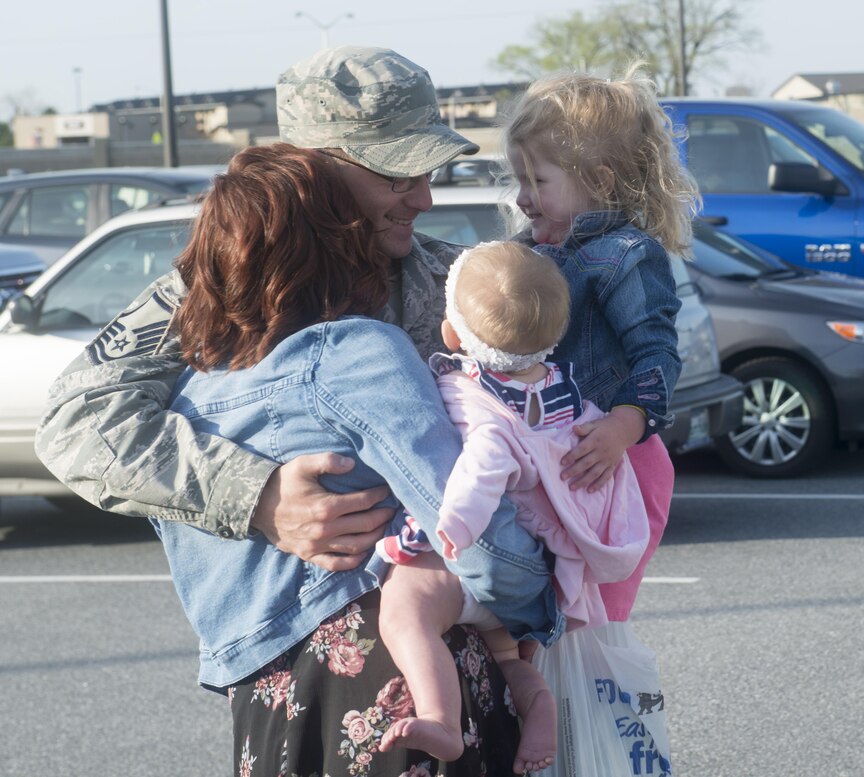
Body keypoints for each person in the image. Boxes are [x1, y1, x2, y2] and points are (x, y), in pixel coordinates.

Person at [35, 47, 562, 777]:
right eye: (395, 173)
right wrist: (254, 495)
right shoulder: (220, 285)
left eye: (428, 171)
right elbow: (77, 422)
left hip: (470, 649)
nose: (423, 199)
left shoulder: (461, 284)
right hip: (310, 667)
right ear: (311, 166)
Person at [376, 240, 650, 772]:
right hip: (544, 569)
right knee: (506, 652)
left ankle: (439, 718)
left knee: (405, 609)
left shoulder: (478, 402)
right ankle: (538, 702)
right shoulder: (568, 394)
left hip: (489, 557)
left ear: (452, 335)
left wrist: (446, 527)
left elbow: (482, 469)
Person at [498, 66, 700, 776]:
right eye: (518, 178)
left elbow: (655, 351)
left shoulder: (626, 255)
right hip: (565, 466)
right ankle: (557, 739)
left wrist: (625, 423)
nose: (522, 197)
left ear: (602, 181)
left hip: (619, 463)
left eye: (538, 179)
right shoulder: (532, 252)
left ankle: (592, 747)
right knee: (543, 627)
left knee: (588, 627)